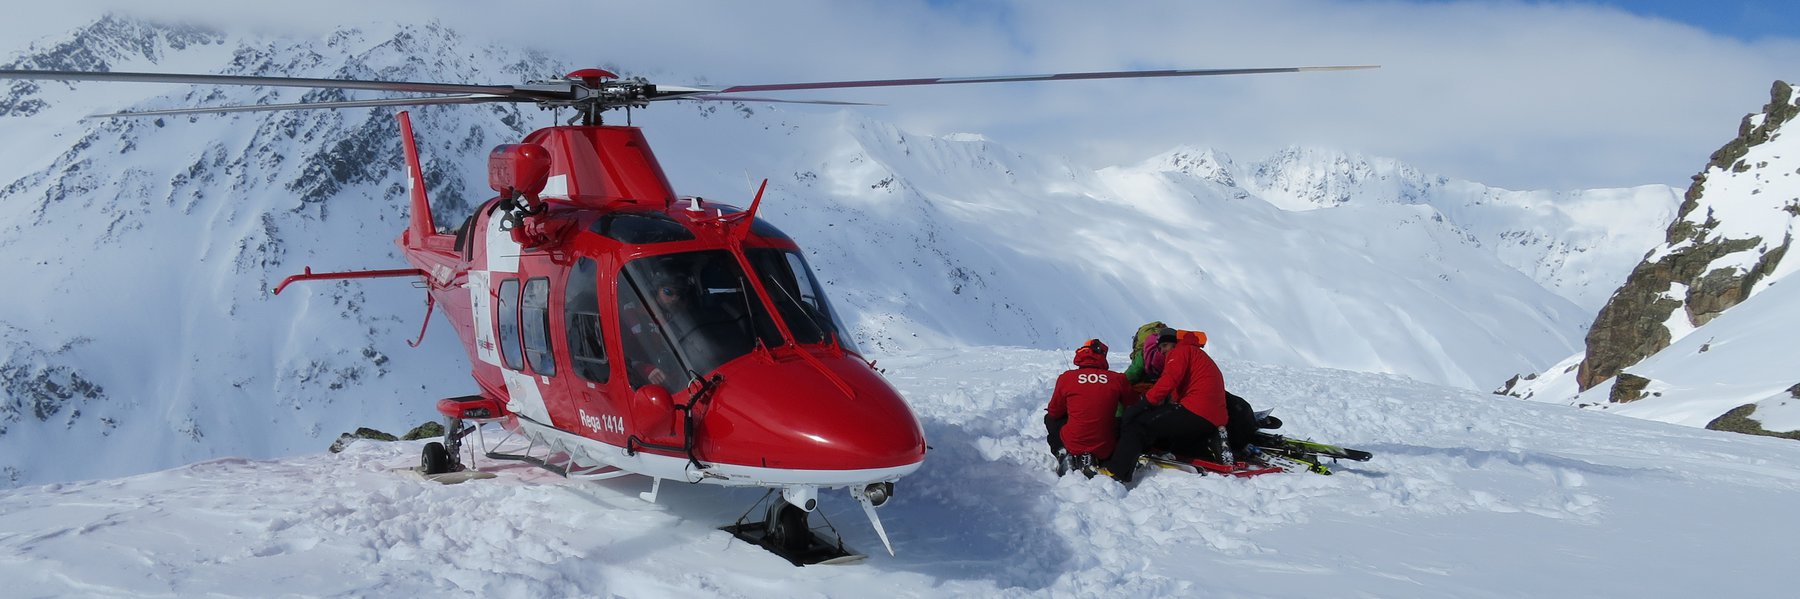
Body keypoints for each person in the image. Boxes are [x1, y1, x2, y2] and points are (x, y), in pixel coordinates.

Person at [1103, 328, 1229, 482]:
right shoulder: (1195, 353)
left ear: (1173, 343)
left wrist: (1144, 403)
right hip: (1213, 416)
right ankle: (1209, 441)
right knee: (1168, 431)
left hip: (1196, 409)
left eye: (1164, 346)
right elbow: (1176, 390)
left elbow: (1168, 381)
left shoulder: (1180, 352)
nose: (1161, 351)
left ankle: (1117, 471)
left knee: (1139, 424)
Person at [1044, 339, 1138, 477]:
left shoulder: (1066, 378)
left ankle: (1063, 452)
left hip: (1072, 443)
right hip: (1105, 447)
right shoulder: (1117, 379)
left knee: (1049, 419)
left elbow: (1054, 411)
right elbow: (1134, 404)